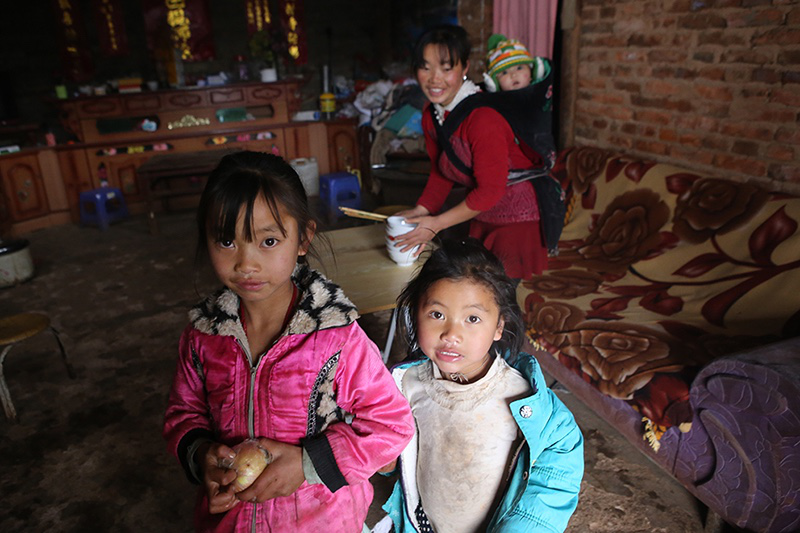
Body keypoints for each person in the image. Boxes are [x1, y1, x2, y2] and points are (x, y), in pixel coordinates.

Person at [163, 151, 415, 532]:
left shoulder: (336, 338)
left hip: (323, 522)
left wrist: (308, 464)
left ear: (303, 239)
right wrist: (202, 455)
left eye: (268, 241)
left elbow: (392, 425)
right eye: (226, 241)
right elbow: (183, 414)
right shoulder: (202, 337)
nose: (246, 263)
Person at [382, 238, 584, 533]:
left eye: (472, 318)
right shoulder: (405, 385)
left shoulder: (522, 399)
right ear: (415, 314)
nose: (451, 334)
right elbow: (397, 453)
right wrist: (385, 458)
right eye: (437, 314)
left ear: (499, 327)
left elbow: (560, 461)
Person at [394, 25, 551, 280]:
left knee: (497, 292)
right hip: (481, 210)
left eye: (446, 68)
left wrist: (437, 223)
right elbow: (441, 170)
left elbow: (490, 190)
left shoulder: (483, 117)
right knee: (478, 286)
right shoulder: (431, 114)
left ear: (464, 68)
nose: (434, 79)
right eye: (425, 67)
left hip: (516, 217)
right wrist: (421, 210)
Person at [484, 33, 551, 93]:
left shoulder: (542, 94)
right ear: (496, 83)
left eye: (519, 68)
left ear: (532, 72)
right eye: (504, 73)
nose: (513, 75)